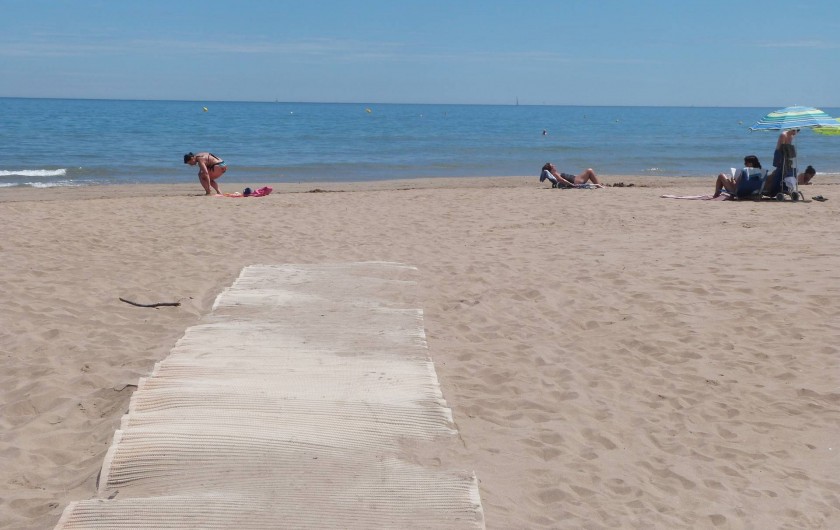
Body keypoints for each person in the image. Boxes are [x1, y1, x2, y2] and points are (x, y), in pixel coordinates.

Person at [540, 162, 604, 188]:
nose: (554, 165)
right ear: (551, 169)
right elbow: (562, 180)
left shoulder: (555, 174)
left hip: (575, 178)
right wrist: (572, 185)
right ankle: (599, 185)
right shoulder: (555, 174)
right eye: (552, 166)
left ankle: (599, 184)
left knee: (588, 171)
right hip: (576, 181)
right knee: (589, 170)